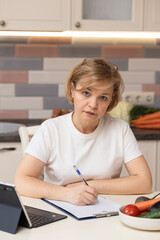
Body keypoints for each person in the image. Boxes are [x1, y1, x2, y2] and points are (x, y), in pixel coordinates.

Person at [15, 58, 152, 206]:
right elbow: (22, 181)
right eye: (86, 93)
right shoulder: (50, 129)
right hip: (58, 213)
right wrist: (66, 193)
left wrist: (90, 186)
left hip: (104, 214)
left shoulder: (120, 130)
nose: (93, 105)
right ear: (72, 90)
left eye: (103, 97)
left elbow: (144, 183)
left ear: (111, 101)